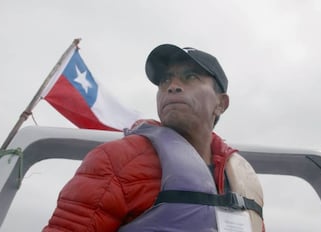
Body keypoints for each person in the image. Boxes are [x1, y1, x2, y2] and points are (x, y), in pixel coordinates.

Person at [43, 44, 265, 232]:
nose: (172, 87)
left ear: (221, 103)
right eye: (165, 81)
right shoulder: (116, 160)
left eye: (190, 77)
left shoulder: (243, 180)